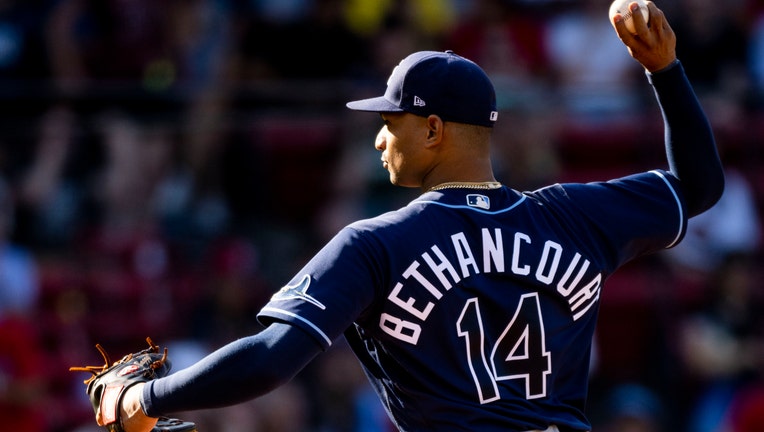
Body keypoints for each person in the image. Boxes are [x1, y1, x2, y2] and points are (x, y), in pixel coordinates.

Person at [107, 2, 724, 431]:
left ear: (432, 129)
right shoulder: (573, 216)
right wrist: (665, 71)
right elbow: (699, 186)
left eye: (388, 122)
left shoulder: (377, 244)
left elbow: (270, 359)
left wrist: (145, 396)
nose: (379, 140)